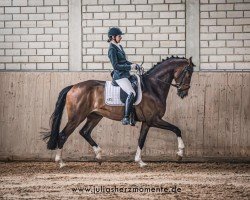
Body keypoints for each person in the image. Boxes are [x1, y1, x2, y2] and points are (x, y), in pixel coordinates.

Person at [107, 27, 138, 126]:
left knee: (137, 84)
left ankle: (133, 116)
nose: (121, 38)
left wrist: (134, 65)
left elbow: (124, 61)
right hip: (119, 76)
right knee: (131, 93)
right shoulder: (112, 49)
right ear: (113, 37)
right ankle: (126, 118)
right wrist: (129, 67)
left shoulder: (119, 46)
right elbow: (116, 66)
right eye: (119, 36)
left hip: (126, 74)